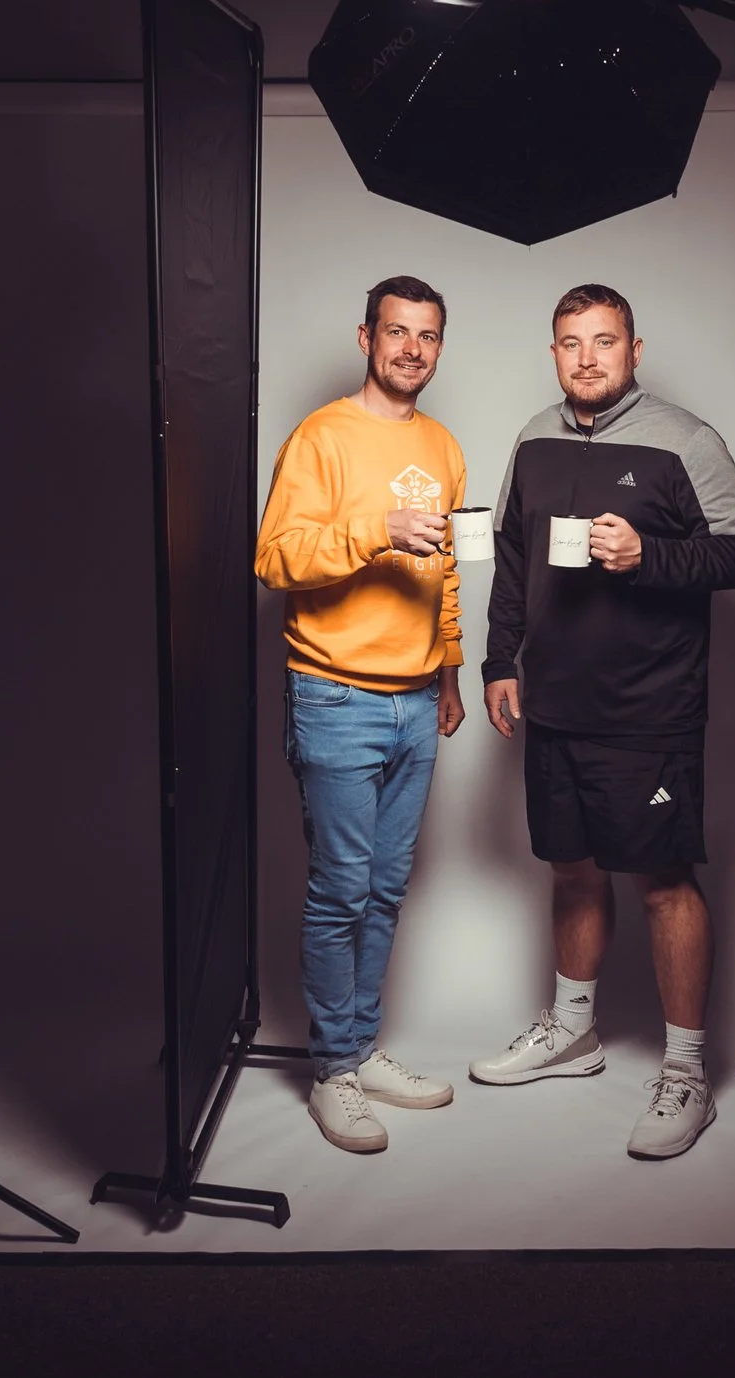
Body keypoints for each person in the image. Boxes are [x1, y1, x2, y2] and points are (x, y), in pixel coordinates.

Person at [473, 283, 735, 1159]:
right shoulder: (533, 438)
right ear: (554, 353)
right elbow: (513, 559)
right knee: (571, 869)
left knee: (663, 882)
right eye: (571, 343)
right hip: (554, 701)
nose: (587, 358)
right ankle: (573, 1033)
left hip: (650, 707)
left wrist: (649, 555)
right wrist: (498, 659)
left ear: (634, 351)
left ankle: (687, 1073)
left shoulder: (686, 439)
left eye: (604, 341)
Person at [254, 276, 469, 1153]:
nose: (411, 349)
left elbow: (445, 572)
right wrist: (375, 530)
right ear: (366, 337)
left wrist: (449, 670)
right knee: (340, 889)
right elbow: (274, 558)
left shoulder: (445, 445)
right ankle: (333, 1069)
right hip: (335, 694)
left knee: (384, 888)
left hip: (417, 701)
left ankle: (362, 1048)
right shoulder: (321, 436)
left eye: (427, 335)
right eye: (396, 331)